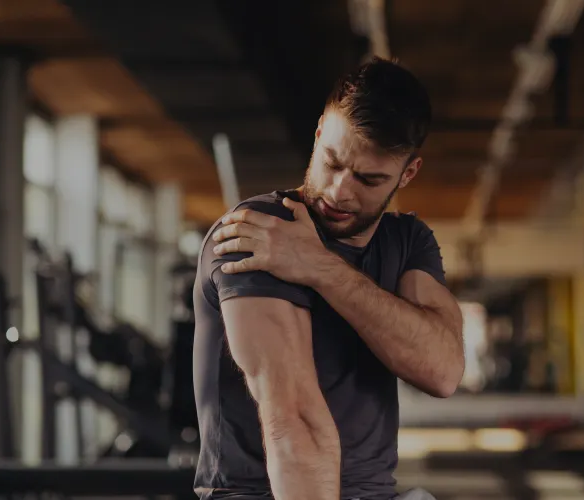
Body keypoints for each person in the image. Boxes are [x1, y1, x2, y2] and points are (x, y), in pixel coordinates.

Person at [192, 57, 465, 500]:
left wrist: (320, 268)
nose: (340, 190)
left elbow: (443, 370)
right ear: (319, 133)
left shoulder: (407, 241)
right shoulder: (259, 231)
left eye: (368, 179)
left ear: (407, 173)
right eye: (332, 162)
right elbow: (292, 420)